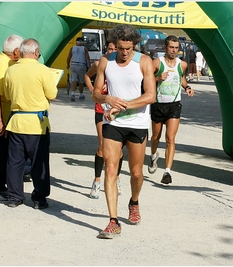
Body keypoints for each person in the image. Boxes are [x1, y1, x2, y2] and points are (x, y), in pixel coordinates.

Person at [92, 24, 156, 239]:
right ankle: (113, 221)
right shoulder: (105, 61)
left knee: (136, 173)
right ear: (115, 45)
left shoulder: (144, 62)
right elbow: (95, 94)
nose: (125, 52)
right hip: (113, 124)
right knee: (111, 169)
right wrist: (107, 99)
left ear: (134, 46)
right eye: (120, 48)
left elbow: (150, 96)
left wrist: (123, 106)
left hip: (137, 123)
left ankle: (134, 201)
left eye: (128, 48)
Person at [4, 38, 58, 209]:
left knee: (15, 162)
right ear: (36, 53)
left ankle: (14, 197)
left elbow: (6, 95)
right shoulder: (43, 70)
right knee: (39, 163)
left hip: (16, 121)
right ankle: (39, 198)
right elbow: (52, 94)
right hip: (37, 124)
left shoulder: (10, 71)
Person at [148, 35, 194, 185]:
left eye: (176, 48)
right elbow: (146, 80)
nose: (174, 50)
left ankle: (167, 172)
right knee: (155, 137)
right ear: (165, 47)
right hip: (158, 104)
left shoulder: (182, 65)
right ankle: (153, 155)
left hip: (174, 105)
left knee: (170, 139)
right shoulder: (156, 63)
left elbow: (181, 77)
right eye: (171, 47)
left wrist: (187, 87)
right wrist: (157, 78)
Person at [0, 34, 24, 201]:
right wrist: (1, 121)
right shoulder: (2, 64)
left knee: (1, 151)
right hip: (2, 117)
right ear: (15, 51)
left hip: (3, 116)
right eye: (20, 50)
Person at [84, 41, 123, 199]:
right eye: (110, 49)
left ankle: (117, 178)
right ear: (106, 49)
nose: (113, 51)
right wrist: (92, 89)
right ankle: (97, 181)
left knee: (118, 150)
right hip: (101, 109)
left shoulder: (122, 65)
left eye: (115, 49)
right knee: (102, 146)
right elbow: (87, 76)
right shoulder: (100, 63)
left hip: (118, 111)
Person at [67, 37, 90, 101]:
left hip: (74, 65)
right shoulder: (84, 49)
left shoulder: (72, 48)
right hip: (81, 65)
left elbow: (68, 58)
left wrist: (68, 65)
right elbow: (87, 58)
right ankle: (81, 94)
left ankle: (72, 94)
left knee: (73, 80)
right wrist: (89, 66)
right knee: (81, 81)